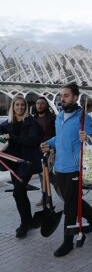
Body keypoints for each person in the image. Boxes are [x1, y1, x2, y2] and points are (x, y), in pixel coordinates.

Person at [41, 82, 92, 257]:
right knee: (70, 199)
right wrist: (48, 144)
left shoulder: (83, 118)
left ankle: (67, 242)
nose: (62, 99)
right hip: (59, 166)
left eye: (66, 96)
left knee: (69, 206)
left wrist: (86, 137)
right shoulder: (59, 117)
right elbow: (59, 137)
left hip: (75, 167)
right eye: (61, 96)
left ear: (75, 97)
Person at [0, 96, 42, 238]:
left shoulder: (32, 123)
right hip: (14, 163)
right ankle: (28, 221)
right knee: (21, 192)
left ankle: (24, 224)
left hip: (27, 162)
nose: (19, 107)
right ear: (13, 107)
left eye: (22, 105)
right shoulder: (5, 125)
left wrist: (12, 137)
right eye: (17, 105)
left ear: (25, 107)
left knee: (17, 192)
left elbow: (32, 141)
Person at [33, 96, 57, 206]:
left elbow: (58, 134)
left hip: (51, 150)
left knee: (52, 176)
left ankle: (65, 193)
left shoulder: (53, 118)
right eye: (38, 103)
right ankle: (45, 197)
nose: (40, 105)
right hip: (39, 150)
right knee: (42, 175)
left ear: (46, 105)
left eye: (42, 103)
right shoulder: (33, 119)